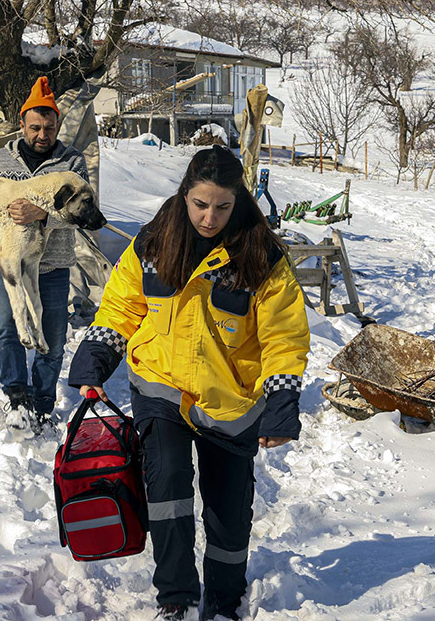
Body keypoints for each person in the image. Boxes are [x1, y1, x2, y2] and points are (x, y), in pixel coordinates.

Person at [68, 146, 310, 621]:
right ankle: (175, 598)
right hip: (161, 388)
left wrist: (281, 404)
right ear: (184, 195)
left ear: (238, 200)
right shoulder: (154, 243)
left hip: (229, 401)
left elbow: (284, 336)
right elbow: (122, 307)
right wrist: (94, 362)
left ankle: (222, 601)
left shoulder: (261, 256)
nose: (209, 217)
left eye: (222, 206)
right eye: (200, 204)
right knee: (168, 490)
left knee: (228, 513)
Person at [0, 76, 89, 432]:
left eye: (49, 128)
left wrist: (43, 214)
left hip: (51, 264)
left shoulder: (71, 163)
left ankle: (42, 402)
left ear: (57, 126)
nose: (43, 135)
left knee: (51, 335)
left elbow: (83, 212)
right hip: (4, 259)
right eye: (35, 127)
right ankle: (16, 397)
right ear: (21, 125)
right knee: (8, 327)